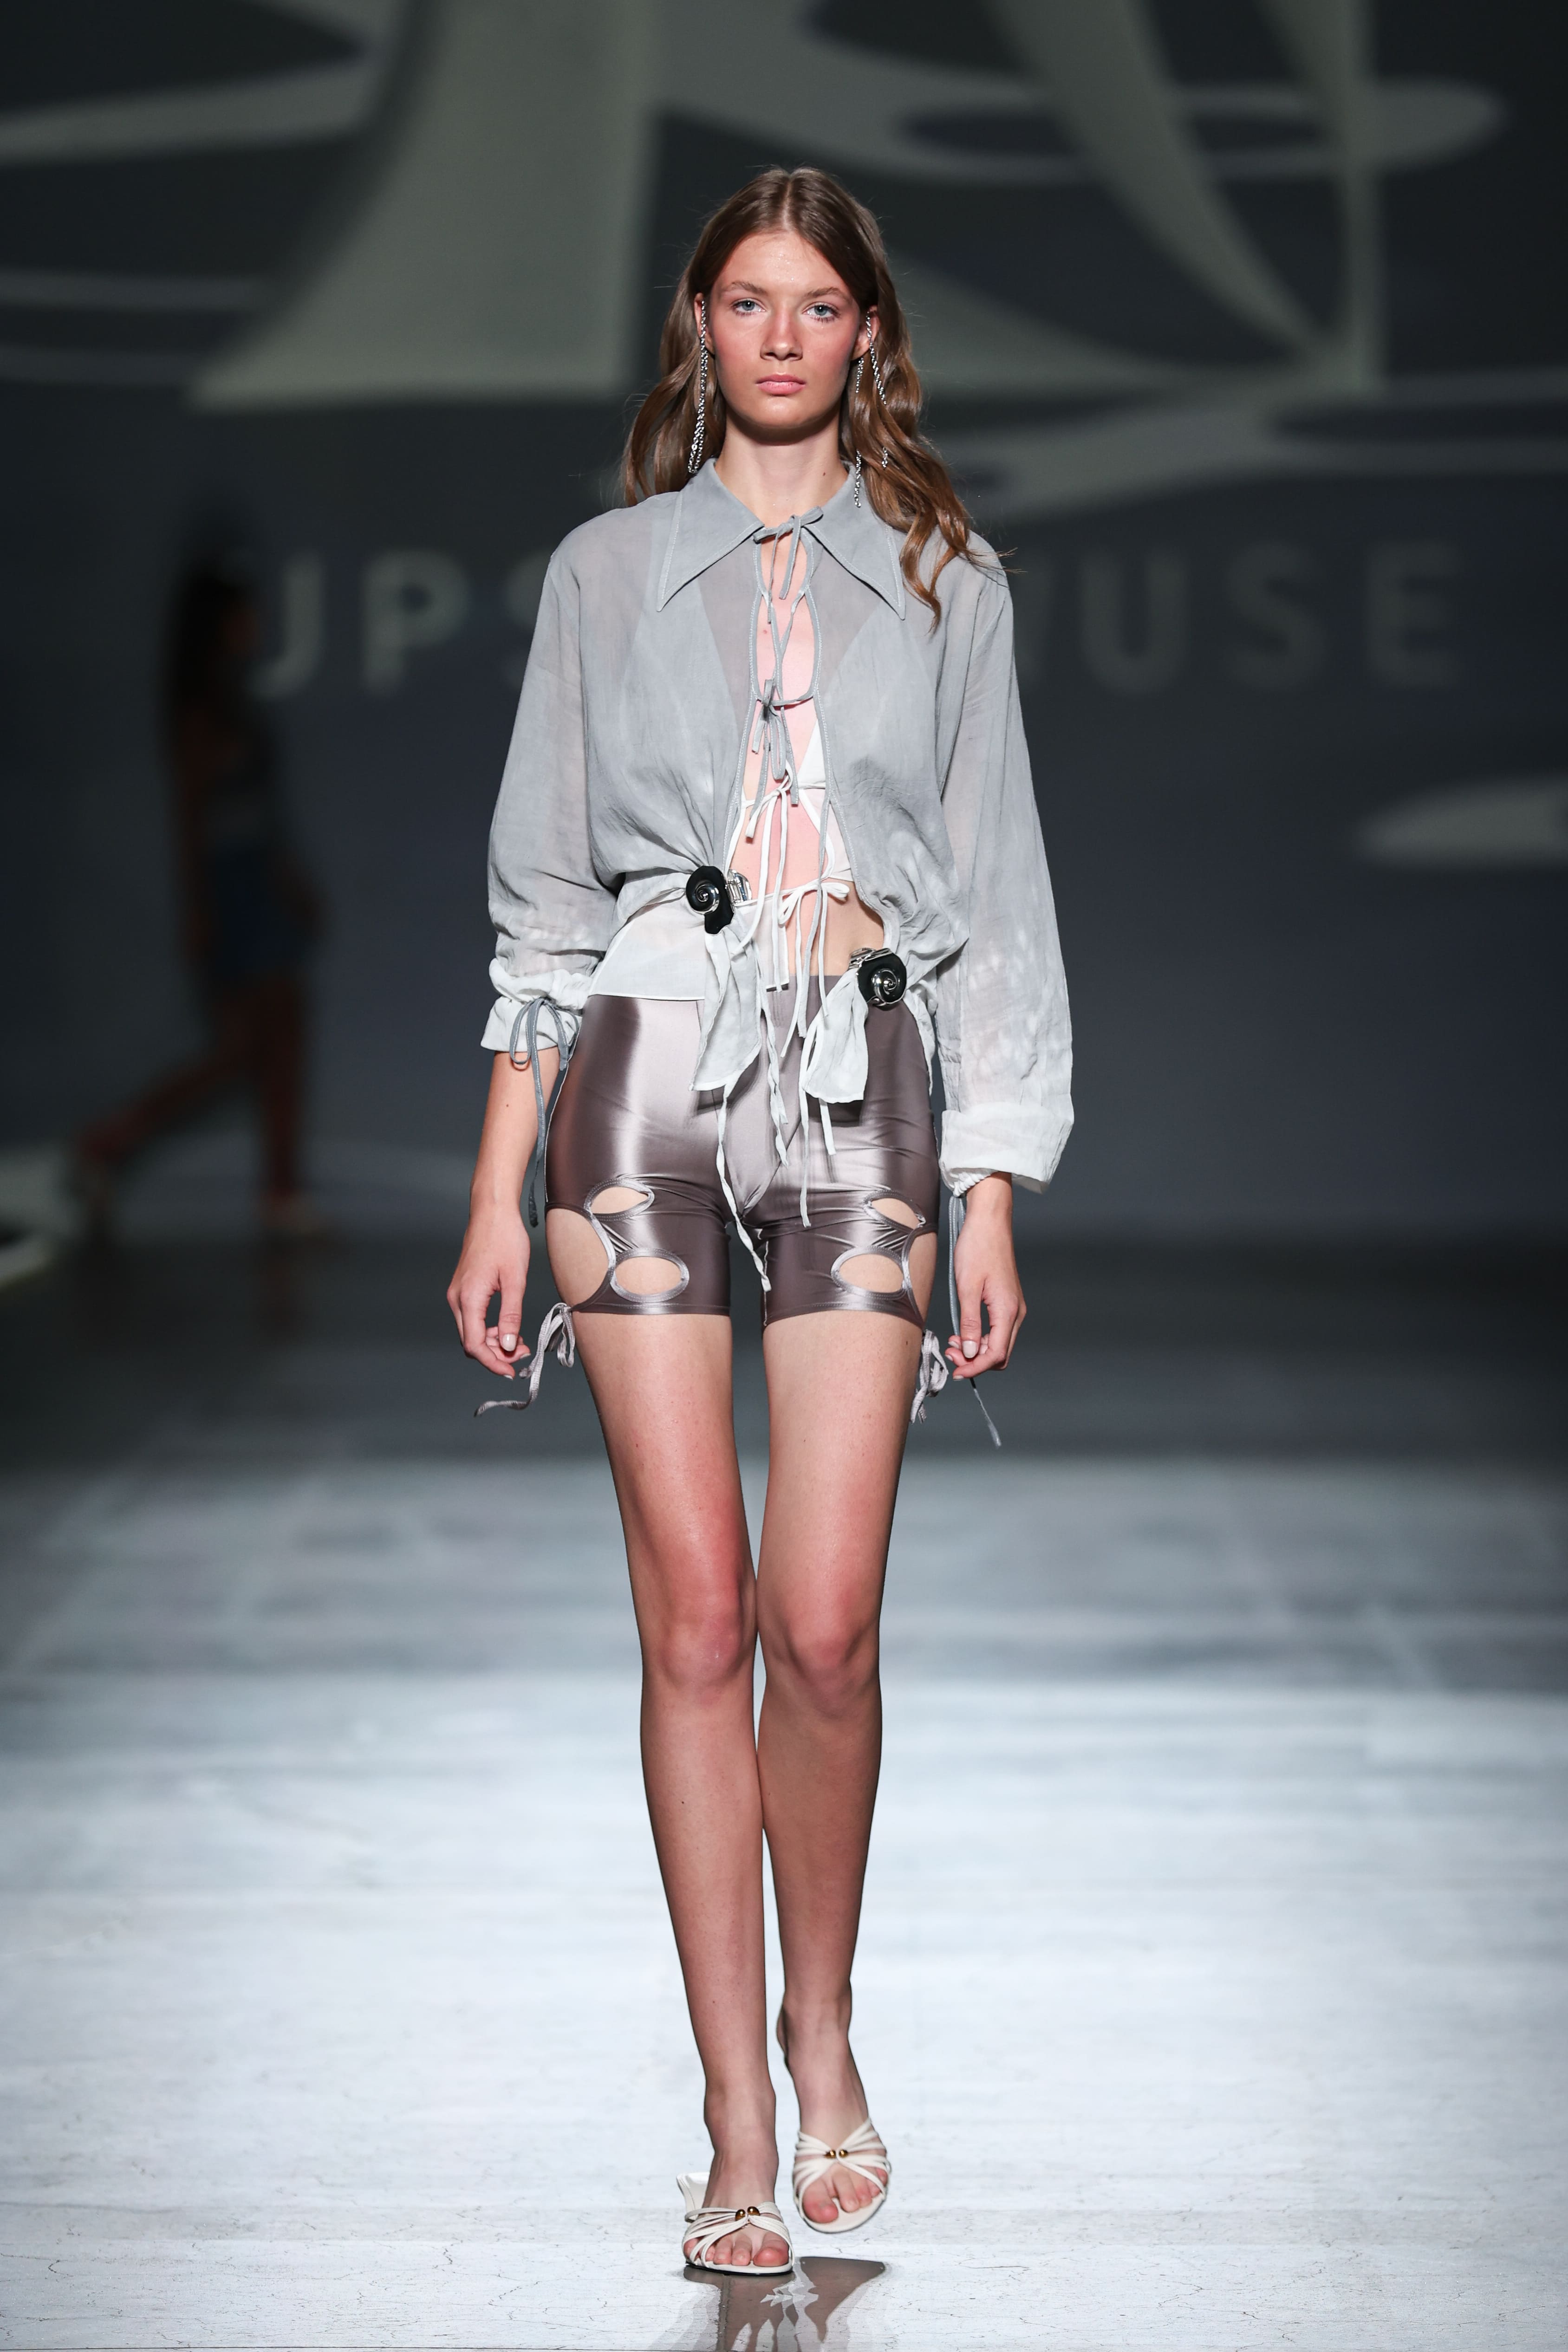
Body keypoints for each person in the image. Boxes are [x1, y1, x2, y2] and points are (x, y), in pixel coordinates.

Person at [447, 168, 1072, 2275]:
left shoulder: (946, 582)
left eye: (817, 304)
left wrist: (990, 1186)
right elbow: (545, 902)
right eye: (746, 300)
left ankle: (823, 2022)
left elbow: (998, 896)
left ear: (866, 333)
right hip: (632, 1078)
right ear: (698, 327)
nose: (781, 335)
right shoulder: (606, 572)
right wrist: (491, 1188)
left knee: (822, 1622)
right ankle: (733, 2112)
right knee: (695, 1618)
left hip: (860, 1080)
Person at [75, 556, 324, 1237]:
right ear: (219, 623)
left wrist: (286, 878)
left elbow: (258, 810)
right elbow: (192, 817)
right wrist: (200, 907)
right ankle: (110, 1142)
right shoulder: (200, 713)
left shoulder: (233, 702)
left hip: (258, 885)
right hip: (233, 892)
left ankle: (279, 1191)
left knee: (277, 1039)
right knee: (247, 1046)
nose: (255, 626)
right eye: (243, 615)